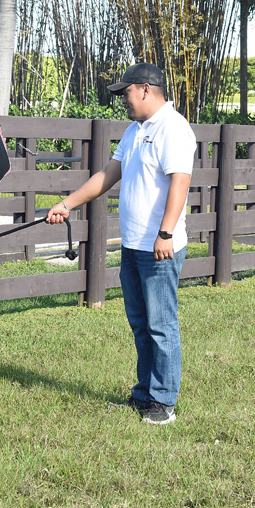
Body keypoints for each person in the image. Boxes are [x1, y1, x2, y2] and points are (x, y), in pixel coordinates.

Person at [46, 63, 196, 425]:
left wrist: (165, 234)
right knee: (141, 324)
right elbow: (107, 175)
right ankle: (144, 394)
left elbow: (180, 183)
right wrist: (67, 204)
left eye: (126, 93)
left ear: (146, 89)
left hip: (158, 246)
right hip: (133, 244)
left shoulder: (174, 129)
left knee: (162, 324)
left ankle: (164, 402)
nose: (122, 101)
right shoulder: (135, 131)